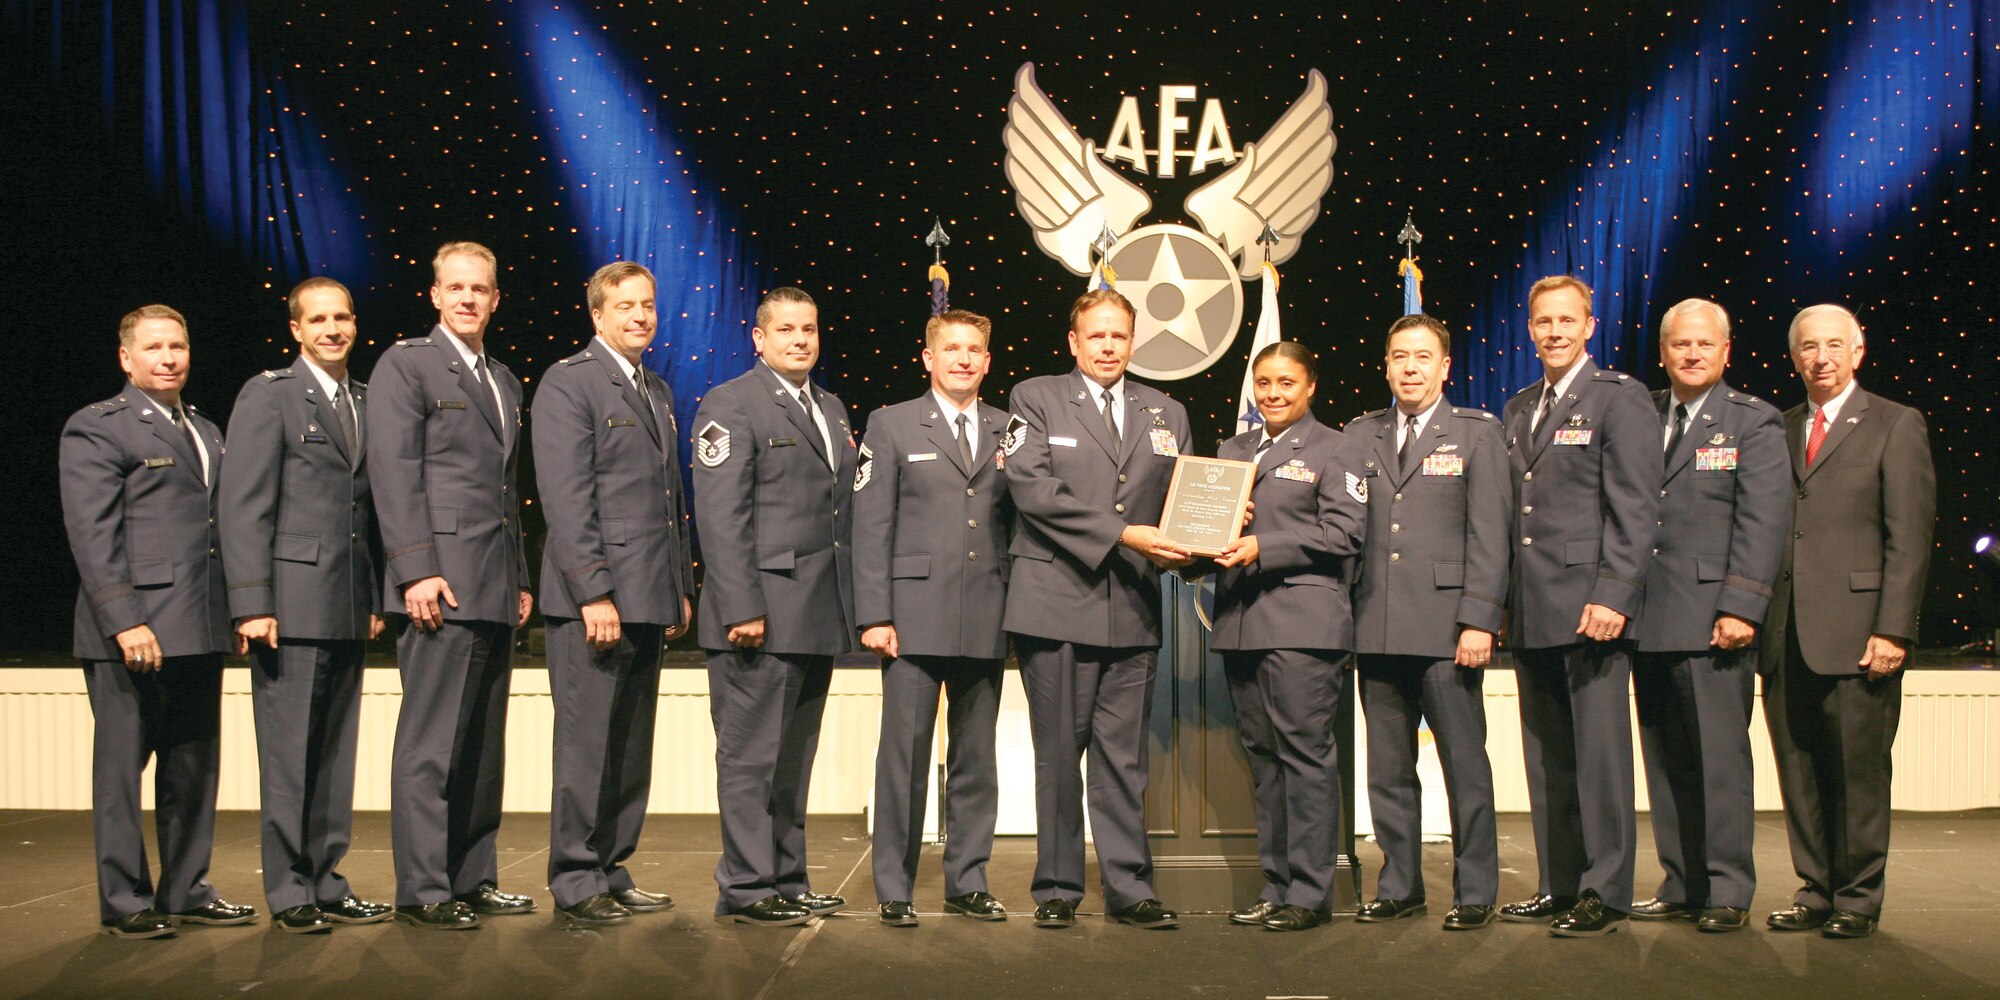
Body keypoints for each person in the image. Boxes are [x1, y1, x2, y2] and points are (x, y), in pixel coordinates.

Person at [60, 304, 256, 939]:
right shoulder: (98, 427)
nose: (168, 358)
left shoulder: (207, 429)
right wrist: (124, 620)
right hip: (134, 630)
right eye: (153, 348)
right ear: (126, 358)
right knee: (122, 773)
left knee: (193, 769)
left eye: (178, 346)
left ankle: (187, 889)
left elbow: (220, 531)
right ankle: (125, 901)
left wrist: (236, 611)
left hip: (200, 625)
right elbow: (93, 535)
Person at [1002, 288, 1192, 930]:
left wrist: (1212, 524)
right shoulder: (1035, 398)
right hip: (1055, 603)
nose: (1108, 347)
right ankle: (1057, 888)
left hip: (1133, 608)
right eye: (1097, 335)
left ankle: (1130, 889)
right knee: (1059, 756)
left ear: (1133, 342)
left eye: (1119, 336)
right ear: (1074, 342)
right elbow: (1033, 489)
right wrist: (1124, 534)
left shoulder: (1166, 411)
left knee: (1124, 761)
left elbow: (1180, 501)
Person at [218, 279, 393, 934]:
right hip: (287, 609)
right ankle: (290, 890)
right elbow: (242, 506)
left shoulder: (368, 400)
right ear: (296, 329)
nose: (332, 329)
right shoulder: (270, 395)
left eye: (341, 317)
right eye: (318, 319)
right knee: (289, 758)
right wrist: (250, 604)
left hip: (347, 604)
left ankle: (327, 879)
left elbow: (368, 515)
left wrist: (373, 595)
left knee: (334, 757)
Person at [368, 241, 534, 929]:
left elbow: (506, 493)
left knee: (482, 748)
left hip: (492, 584)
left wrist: (520, 577)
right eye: (456, 287)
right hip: (438, 583)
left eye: (480, 288)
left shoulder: (504, 379)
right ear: (435, 295)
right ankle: (424, 887)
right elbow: (393, 471)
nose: (468, 298)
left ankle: (472, 875)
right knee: (431, 745)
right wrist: (415, 569)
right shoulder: (406, 364)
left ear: (495, 299)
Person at [1761, 304, 1935, 939]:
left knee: (1858, 776)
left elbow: (1908, 539)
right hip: (1785, 632)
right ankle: (1815, 888)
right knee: (1798, 770)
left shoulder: (1895, 422)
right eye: (1809, 347)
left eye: (1835, 345)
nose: (1822, 357)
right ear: (1794, 358)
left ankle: (1858, 897)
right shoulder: (1777, 429)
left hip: (1862, 634)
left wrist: (1894, 630)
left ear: (1858, 352)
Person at [532, 262, 694, 927]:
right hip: (595, 602)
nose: (640, 316)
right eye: (625, 306)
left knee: (628, 746)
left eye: (647, 304)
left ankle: (610, 867)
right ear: (597, 315)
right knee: (587, 745)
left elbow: (669, 500)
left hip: (649, 593)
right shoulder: (569, 382)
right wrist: (593, 592)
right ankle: (575, 878)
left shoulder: (655, 387)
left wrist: (680, 587)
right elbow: (567, 499)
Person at [1498, 275, 1659, 937]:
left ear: (1589, 327)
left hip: (1592, 608)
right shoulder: (1518, 407)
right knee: (1547, 759)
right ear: (1530, 329)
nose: (1555, 332)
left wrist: (1614, 593)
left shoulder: (1620, 398)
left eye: (1567, 320)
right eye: (1544, 321)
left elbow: (1636, 508)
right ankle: (1559, 883)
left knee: (1599, 759)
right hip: (1531, 607)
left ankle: (1606, 889)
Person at [693, 286, 858, 926]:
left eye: (808, 329)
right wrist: (741, 606)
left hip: (817, 613)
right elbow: (721, 515)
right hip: (758, 616)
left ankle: (788, 878)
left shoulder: (831, 406)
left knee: (792, 761)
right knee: (750, 760)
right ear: (758, 339)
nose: (800, 340)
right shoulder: (731, 403)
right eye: (786, 329)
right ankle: (745, 887)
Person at [1627, 299, 1789, 933]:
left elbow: (1762, 521)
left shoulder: (1753, 420)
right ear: (1663, 352)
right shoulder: (1640, 413)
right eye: (1680, 344)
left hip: (1714, 620)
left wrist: (1741, 606)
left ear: (1726, 351)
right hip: (1646, 616)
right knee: (1665, 760)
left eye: (1703, 344)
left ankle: (1727, 889)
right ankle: (1682, 882)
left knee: (1720, 762)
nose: (1691, 354)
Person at [1343, 315, 1508, 931]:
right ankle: (1401, 886)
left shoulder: (1477, 433)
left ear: (1444, 366)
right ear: (1386, 366)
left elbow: (1491, 535)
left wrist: (1480, 620)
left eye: (1421, 356)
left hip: (1448, 630)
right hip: (1376, 626)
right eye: (1399, 356)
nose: (1410, 367)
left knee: (1465, 766)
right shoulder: (1360, 434)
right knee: (1388, 771)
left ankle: (1475, 891)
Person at [853, 309, 1013, 927]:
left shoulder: (1010, 428)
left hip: (988, 614)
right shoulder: (891, 424)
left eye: (974, 350)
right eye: (951, 348)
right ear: (928, 358)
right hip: (911, 619)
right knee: (905, 759)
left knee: (977, 761)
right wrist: (874, 614)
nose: (963, 359)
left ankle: (967, 882)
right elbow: (871, 525)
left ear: (987, 361)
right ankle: (894, 885)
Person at [1200, 341, 1367, 932]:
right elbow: (1209, 527)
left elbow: (1346, 532)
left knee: (1304, 758)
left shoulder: (1338, 448)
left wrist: (1263, 543)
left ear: (1310, 386)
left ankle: (1311, 894)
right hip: (1241, 625)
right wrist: (1214, 530)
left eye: (1286, 383)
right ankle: (1277, 885)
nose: (1272, 393)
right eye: (1264, 383)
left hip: (1303, 627)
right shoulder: (1232, 451)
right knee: (1265, 761)